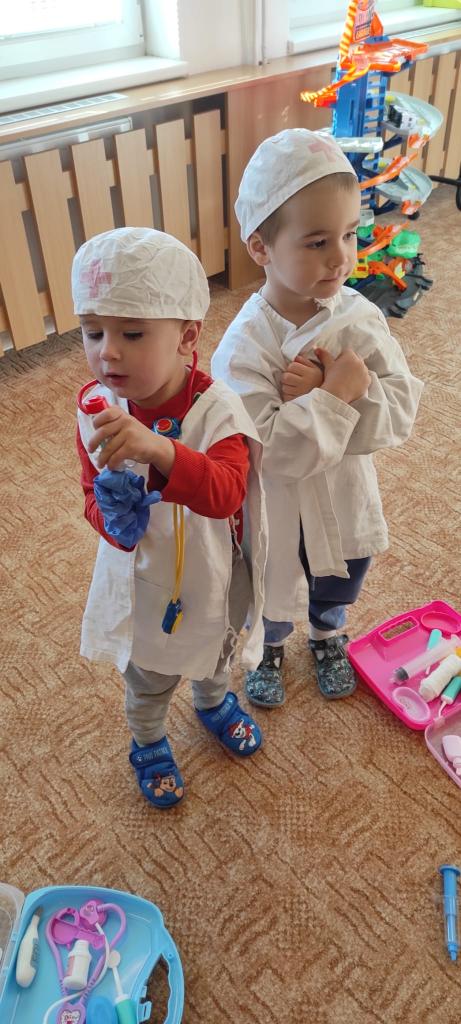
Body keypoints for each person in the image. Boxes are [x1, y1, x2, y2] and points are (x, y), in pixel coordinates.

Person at [211, 128, 423, 707]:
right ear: (261, 248)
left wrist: (349, 392)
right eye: (317, 242)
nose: (341, 257)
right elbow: (270, 454)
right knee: (273, 575)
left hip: (343, 494)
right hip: (278, 507)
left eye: (350, 234)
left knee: (341, 573)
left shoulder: (358, 317)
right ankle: (272, 643)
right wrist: (332, 396)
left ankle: (328, 634)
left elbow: (400, 411)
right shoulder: (244, 346)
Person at [73, 227, 267, 809]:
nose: (108, 351)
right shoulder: (96, 409)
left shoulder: (217, 409)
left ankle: (212, 703)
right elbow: (89, 494)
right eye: (93, 332)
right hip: (143, 580)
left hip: (213, 570)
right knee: (148, 677)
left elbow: (227, 492)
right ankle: (149, 739)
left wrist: (160, 451)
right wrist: (112, 519)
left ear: (187, 337)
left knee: (214, 652)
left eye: (132, 333)